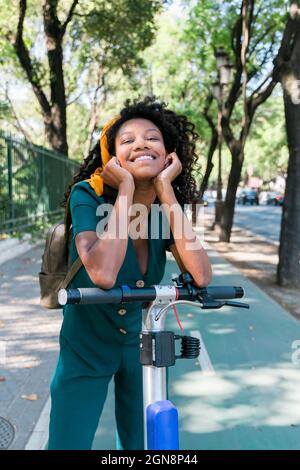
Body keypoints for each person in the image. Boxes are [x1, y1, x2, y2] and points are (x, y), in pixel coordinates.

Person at [48, 96, 212, 450]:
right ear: (113, 158)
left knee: (144, 443)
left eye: (152, 138)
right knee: (68, 443)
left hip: (142, 340)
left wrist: (166, 191)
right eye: (127, 140)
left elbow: (201, 276)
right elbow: (103, 274)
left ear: (168, 153)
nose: (141, 144)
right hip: (86, 341)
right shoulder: (87, 196)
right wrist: (124, 190)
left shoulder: (170, 206)